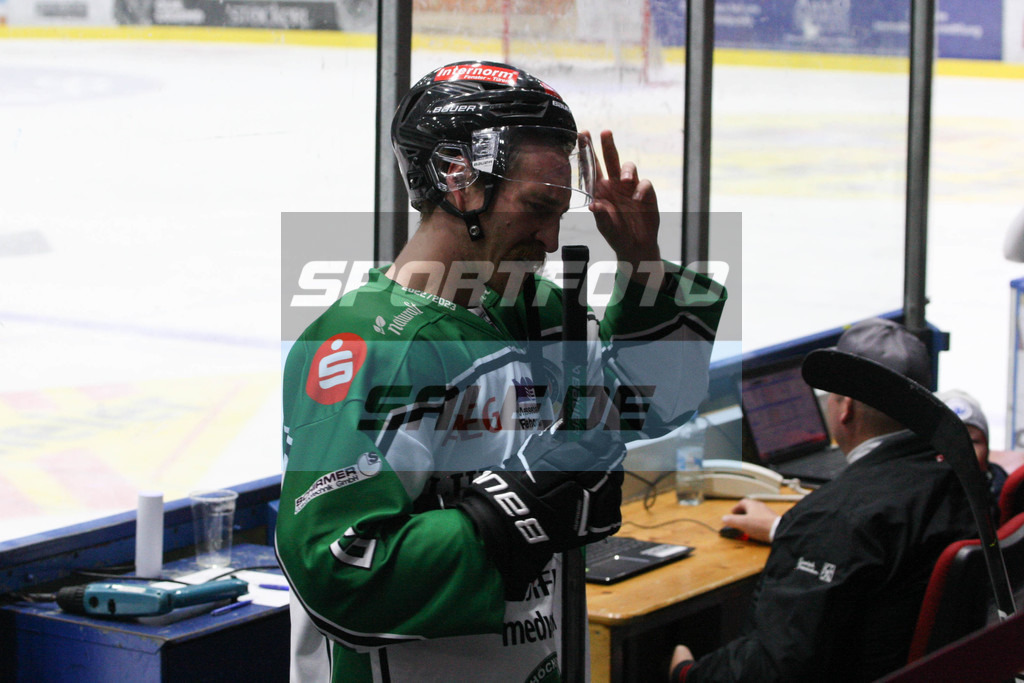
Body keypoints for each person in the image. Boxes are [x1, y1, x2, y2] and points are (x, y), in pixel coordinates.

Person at [274, 60, 726, 683]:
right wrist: (511, 511)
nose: (551, 236)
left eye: (561, 210)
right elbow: (338, 573)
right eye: (538, 205)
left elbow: (656, 403)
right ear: (459, 182)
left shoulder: (530, 311)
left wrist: (642, 261)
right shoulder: (365, 345)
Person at [669, 318, 977, 683]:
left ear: (844, 408)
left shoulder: (833, 518)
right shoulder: (961, 480)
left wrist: (688, 672)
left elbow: (776, 669)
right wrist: (789, 528)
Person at [938, 388, 1007, 511]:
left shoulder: (1007, 496)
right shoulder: (910, 498)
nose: (961, 451)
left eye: (973, 442)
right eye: (948, 442)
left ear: (987, 448)